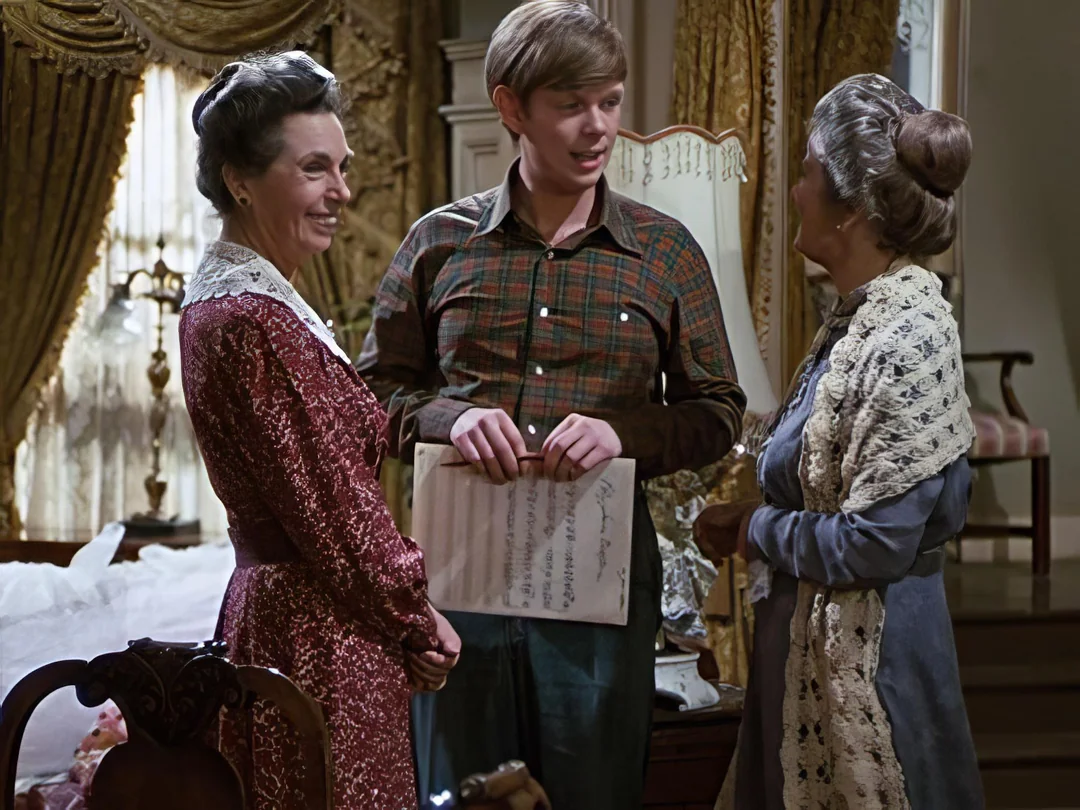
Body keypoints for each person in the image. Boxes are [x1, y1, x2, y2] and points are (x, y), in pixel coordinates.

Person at [356, 2, 746, 807]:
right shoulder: (439, 242)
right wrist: (449, 419)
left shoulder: (664, 250)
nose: (598, 126)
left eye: (609, 101)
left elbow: (717, 411)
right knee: (462, 793)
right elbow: (368, 398)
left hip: (596, 586)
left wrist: (621, 434)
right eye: (571, 105)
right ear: (511, 107)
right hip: (459, 584)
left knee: (591, 793)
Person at [178, 51, 460, 810]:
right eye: (314, 169)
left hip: (307, 618)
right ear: (240, 180)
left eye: (342, 167)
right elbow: (338, 512)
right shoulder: (252, 320)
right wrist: (416, 618)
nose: (341, 191)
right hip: (316, 635)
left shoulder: (249, 305)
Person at [694, 73, 983, 809]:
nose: (796, 192)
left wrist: (755, 528)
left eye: (807, 173)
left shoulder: (909, 336)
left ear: (852, 209)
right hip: (806, 660)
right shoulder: (855, 322)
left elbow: (873, 544)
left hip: (877, 672)